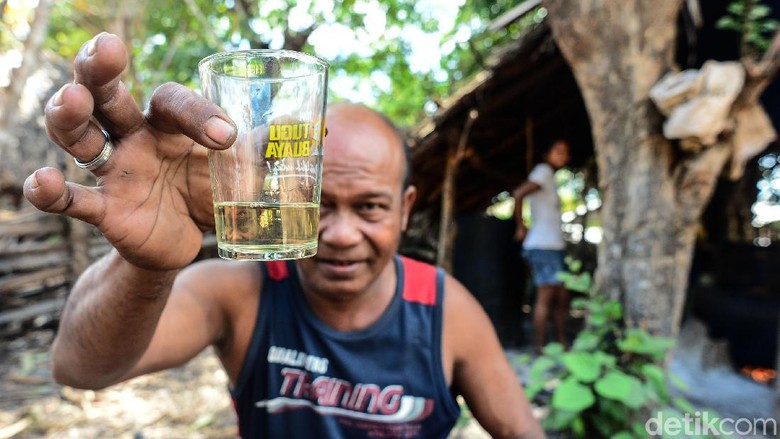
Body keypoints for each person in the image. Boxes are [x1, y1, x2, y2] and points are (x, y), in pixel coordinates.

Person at [24, 33, 545, 438]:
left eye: (369, 207)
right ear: (281, 197)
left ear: (405, 210)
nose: (340, 235)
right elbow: (77, 368)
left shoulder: (442, 309)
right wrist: (148, 263)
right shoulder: (242, 291)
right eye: (317, 202)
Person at [513, 139, 571, 355]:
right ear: (546, 153)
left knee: (561, 298)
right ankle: (540, 348)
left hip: (552, 246)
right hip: (543, 245)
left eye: (566, 152)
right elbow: (519, 194)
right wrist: (521, 227)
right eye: (558, 151)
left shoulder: (549, 175)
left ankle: (560, 343)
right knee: (547, 297)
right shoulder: (543, 171)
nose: (563, 156)